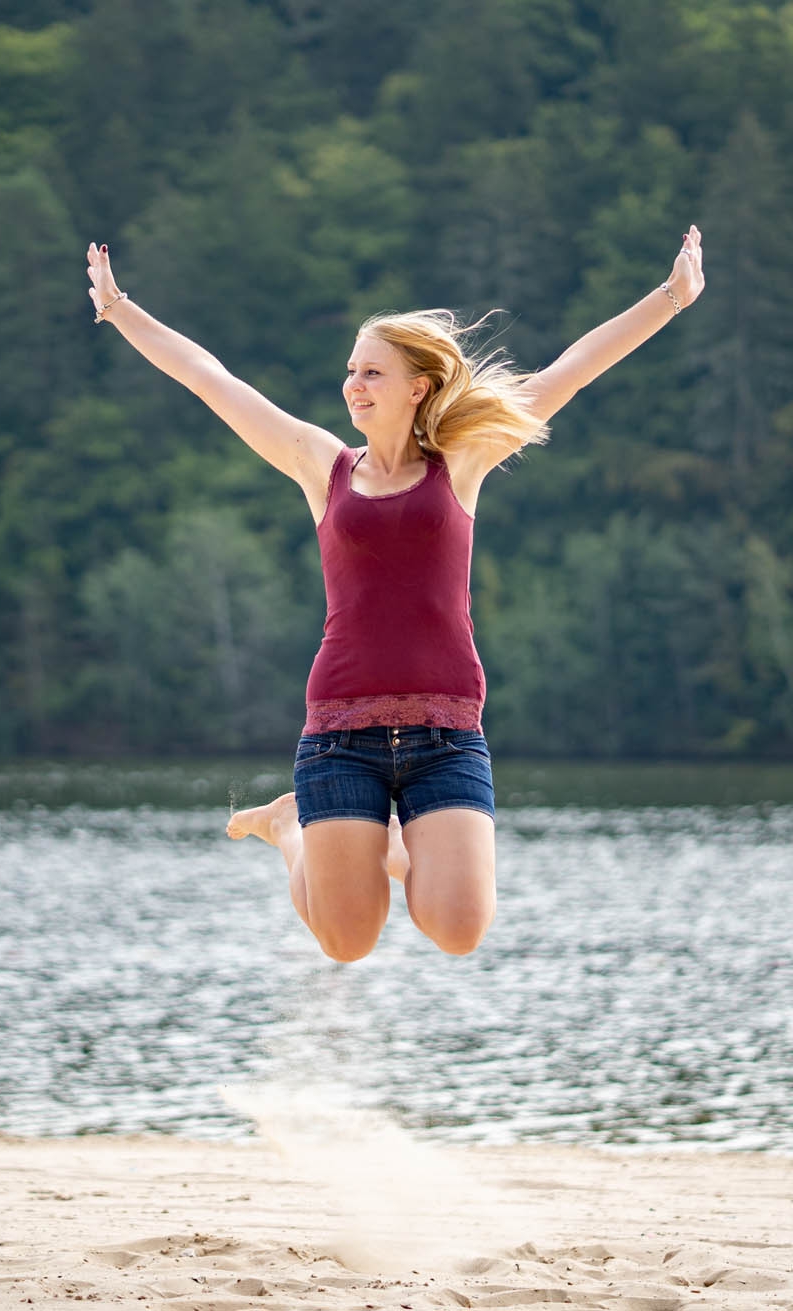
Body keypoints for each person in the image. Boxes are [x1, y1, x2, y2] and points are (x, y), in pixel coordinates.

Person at [85, 228, 705, 962]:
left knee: (459, 928)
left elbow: (571, 370)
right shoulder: (322, 465)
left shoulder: (463, 461)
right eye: (351, 370)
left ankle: (394, 842)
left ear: (418, 386)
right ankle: (291, 828)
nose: (354, 384)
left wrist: (671, 297)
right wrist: (121, 309)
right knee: (346, 941)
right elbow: (210, 378)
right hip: (340, 731)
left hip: (445, 731)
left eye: (373, 372)